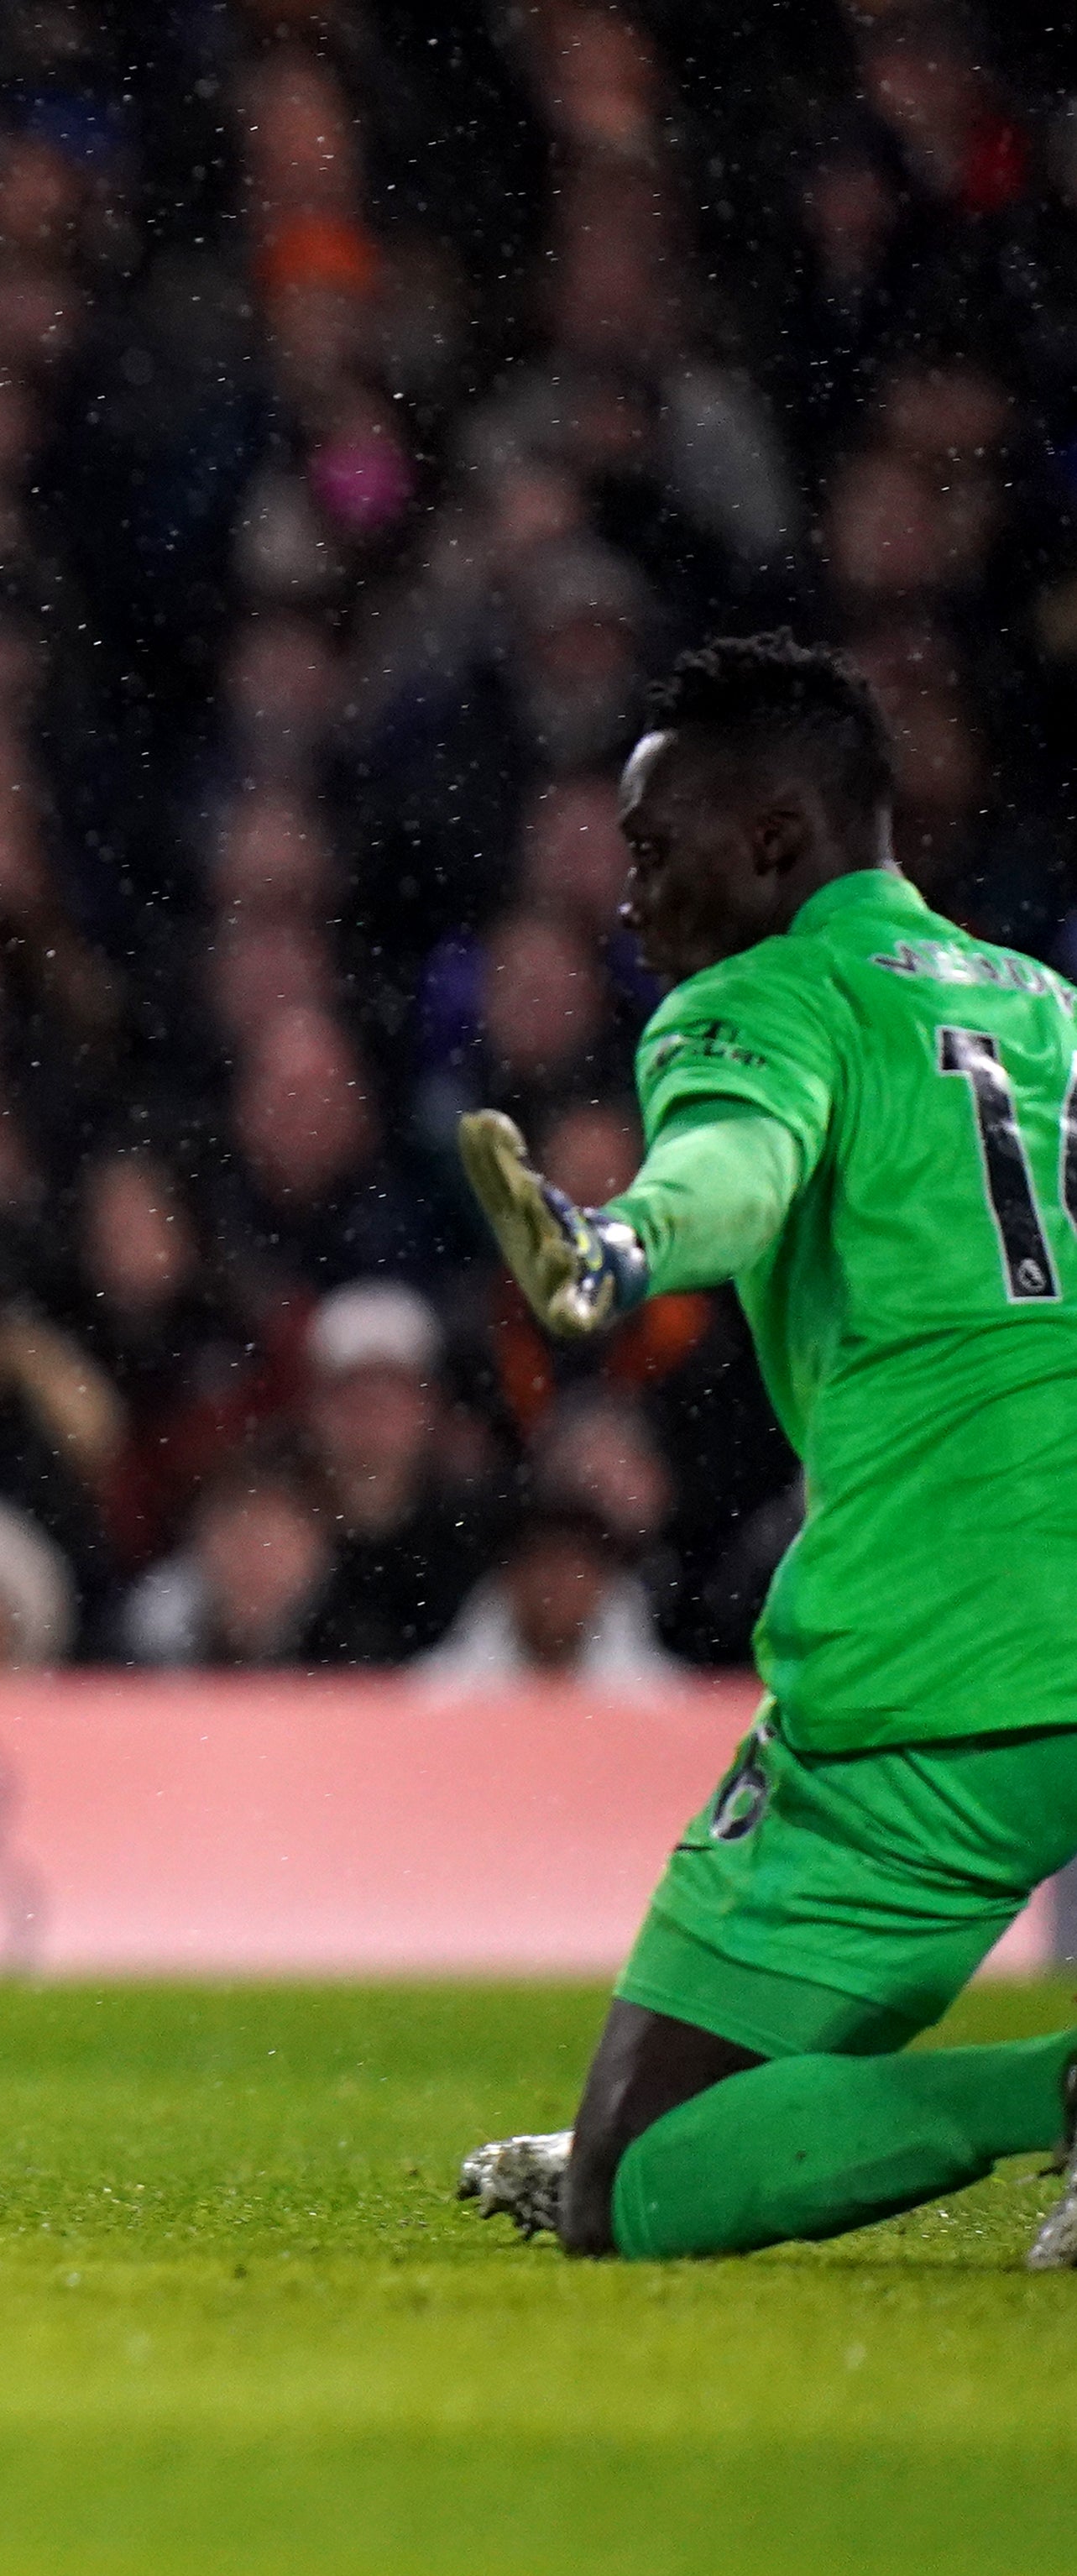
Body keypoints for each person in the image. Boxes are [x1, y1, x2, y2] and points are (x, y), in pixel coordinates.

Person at [452, 636, 1077, 2266]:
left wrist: (618, 1246)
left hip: (941, 1663)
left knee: (636, 2183)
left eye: (653, 853)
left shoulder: (767, 995)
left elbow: (736, 1162)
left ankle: (1053, 2098)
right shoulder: (1046, 1007)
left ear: (779, 846)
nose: (630, 900)